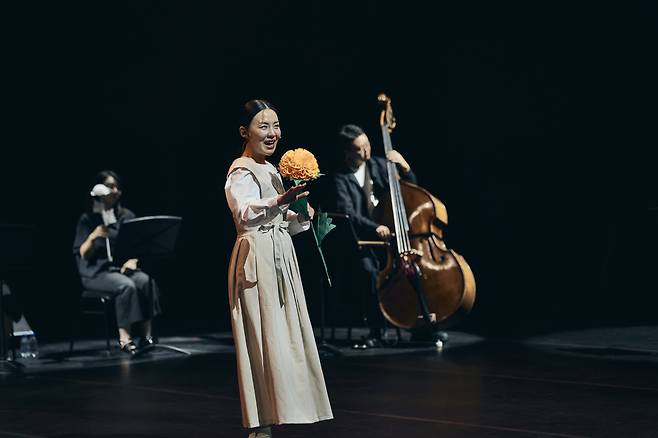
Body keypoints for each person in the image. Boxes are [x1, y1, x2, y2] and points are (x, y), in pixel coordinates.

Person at [224, 99, 333, 438]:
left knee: (284, 334)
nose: (272, 133)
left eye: (275, 126)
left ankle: (287, 409)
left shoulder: (271, 169)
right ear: (245, 132)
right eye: (263, 126)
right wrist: (280, 202)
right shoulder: (240, 170)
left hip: (280, 255)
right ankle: (260, 423)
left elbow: (282, 221)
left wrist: (302, 215)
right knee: (262, 335)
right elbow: (246, 213)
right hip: (256, 257)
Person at [332, 124, 417, 348]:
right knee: (368, 271)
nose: (367, 152)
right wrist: (374, 226)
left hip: (393, 238)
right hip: (362, 241)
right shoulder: (341, 178)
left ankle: (422, 324)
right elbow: (348, 212)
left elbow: (409, 193)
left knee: (414, 268)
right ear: (348, 152)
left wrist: (405, 168)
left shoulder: (379, 165)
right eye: (360, 149)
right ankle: (376, 330)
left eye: (368, 145)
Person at [72, 170, 162, 355]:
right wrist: (93, 236)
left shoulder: (126, 216)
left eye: (117, 187)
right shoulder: (88, 218)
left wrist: (133, 261)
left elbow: (138, 247)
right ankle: (125, 339)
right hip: (95, 273)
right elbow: (82, 253)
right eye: (109, 186)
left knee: (146, 281)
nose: (114, 190)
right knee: (126, 286)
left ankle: (147, 336)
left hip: (120, 269)